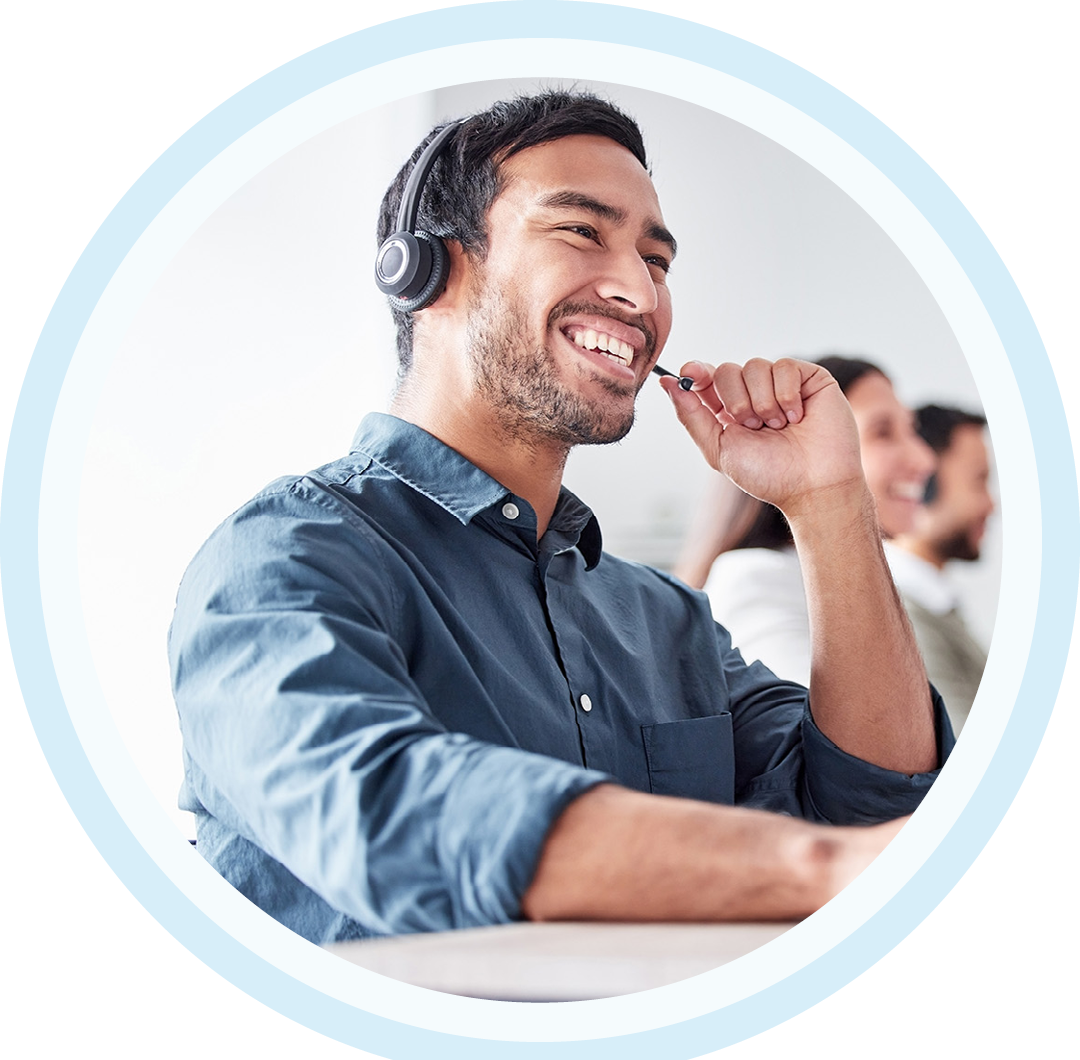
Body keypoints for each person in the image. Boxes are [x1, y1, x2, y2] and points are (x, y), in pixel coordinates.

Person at [168, 92, 951, 945]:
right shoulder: (283, 556)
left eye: (657, 260)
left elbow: (874, 803)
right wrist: (821, 868)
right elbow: (388, 812)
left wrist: (830, 499)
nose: (639, 292)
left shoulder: (667, 621)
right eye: (582, 231)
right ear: (427, 269)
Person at [686, 357, 937, 688]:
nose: (924, 459)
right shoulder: (756, 579)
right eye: (883, 433)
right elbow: (851, 734)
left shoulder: (877, 584)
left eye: (911, 430)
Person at [886, 405, 994, 734]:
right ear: (924, 485)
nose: (991, 504)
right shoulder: (904, 618)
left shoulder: (936, 605)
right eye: (979, 482)